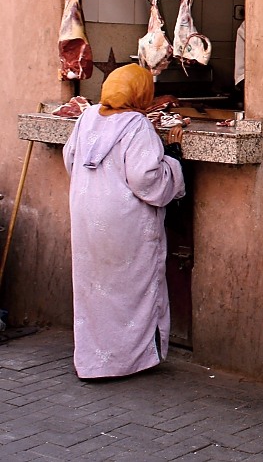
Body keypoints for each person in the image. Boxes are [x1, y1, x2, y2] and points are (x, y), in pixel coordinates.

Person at [63, 64, 186, 380]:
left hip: (87, 217)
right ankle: (128, 361)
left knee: (95, 287)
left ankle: (94, 360)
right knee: (132, 287)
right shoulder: (137, 125)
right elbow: (147, 181)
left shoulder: (87, 116)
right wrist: (172, 159)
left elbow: (70, 159)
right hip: (126, 223)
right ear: (141, 94)